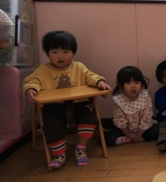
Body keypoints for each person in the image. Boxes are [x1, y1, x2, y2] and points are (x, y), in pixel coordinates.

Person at [23, 31, 111, 169]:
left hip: (79, 103)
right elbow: (31, 81)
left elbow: (91, 76)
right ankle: (59, 155)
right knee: (52, 127)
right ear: (47, 54)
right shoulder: (43, 70)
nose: (60, 56)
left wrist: (99, 82)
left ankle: (80, 148)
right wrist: (31, 89)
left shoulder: (79, 67)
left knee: (89, 120)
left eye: (65, 51)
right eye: (55, 52)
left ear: (73, 53)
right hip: (54, 106)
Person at [104, 66, 159, 146]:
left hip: (143, 129)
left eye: (136, 82)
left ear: (141, 83)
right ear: (121, 85)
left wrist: (140, 132)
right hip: (125, 129)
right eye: (128, 83)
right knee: (107, 139)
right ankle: (130, 138)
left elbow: (147, 116)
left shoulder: (145, 97)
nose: (133, 86)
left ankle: (128, 140)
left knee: (157, 131)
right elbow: (119, 119)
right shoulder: (119, 100)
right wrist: (128, 133)